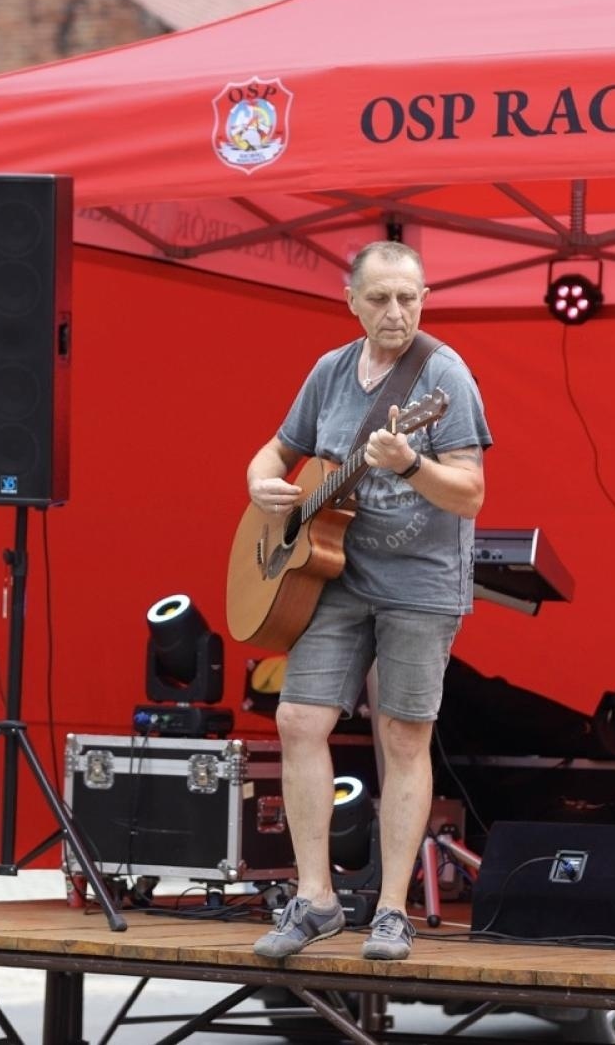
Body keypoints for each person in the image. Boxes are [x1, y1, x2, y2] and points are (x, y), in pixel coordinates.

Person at [245, 240, 491, 961]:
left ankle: (391, 909)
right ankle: (315, 897)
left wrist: (412, 462)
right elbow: (274, 453)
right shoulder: (328, 372)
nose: (396, 311)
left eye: (409, 297)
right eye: (380, 297)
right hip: (334, 576)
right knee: (297, 719)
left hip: (419, 582)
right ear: (351, 301)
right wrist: (260, 481)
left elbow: (471, 490)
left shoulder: (445, 376)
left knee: (402, 735)